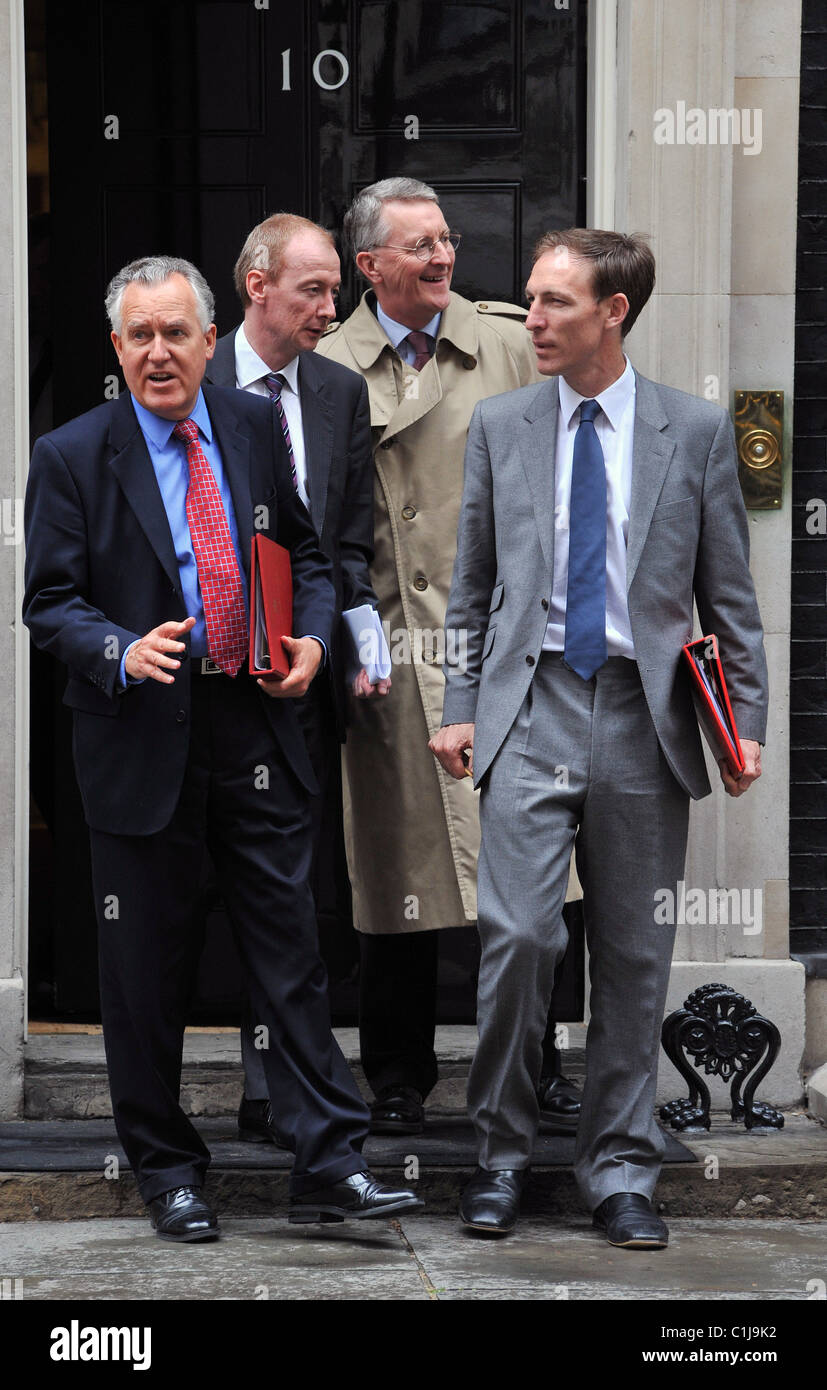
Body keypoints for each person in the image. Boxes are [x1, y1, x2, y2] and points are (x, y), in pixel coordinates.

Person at [23, 255, 422, 1241]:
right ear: (116, 349)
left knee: (291, 956)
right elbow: (48, 604)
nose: (159, 352)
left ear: (212, 340)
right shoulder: (72, 455)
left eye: (176, 333)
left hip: (255, 723)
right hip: (141, 737)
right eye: (139, 336)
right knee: (145, 972)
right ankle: (168, 1171)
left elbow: (311, 553)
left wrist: (313, 640)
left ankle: (330, 1159)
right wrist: (118, 646)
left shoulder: (247, 426)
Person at [430, 229, 768, 1245]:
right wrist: (457, 704)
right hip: (528, 709)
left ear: (611, 312)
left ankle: (620, 1169)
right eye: (530, 299)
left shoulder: (695, 431)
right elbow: (471, 589)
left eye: (552, 302)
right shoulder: (500, 424)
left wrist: (740, 729)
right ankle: (493, 1155)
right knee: (522, 937)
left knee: (631, 954)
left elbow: (731, 600)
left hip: (642, 714)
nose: (529, 318)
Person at [316, 177, 583, 1137]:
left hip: (504, 647)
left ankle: (540, 1059)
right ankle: (395, 1073)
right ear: (368, 266)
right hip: (387, 646)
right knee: (397, 869)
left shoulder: (511, 342)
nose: (442, 257)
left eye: (446, 240)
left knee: (534, 867)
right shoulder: (327, 359)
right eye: (419, 245)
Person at [204, 213, 389, 1146]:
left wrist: (346, 638)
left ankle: (273, 1084)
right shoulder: (194, 380)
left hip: (302, 674)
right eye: (313, 290)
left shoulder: (336, 391)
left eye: (333, 291)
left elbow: (344, 540)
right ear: (256, 286)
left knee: (292, 890)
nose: (331, 309)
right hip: (199, 677)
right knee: (205, 885)